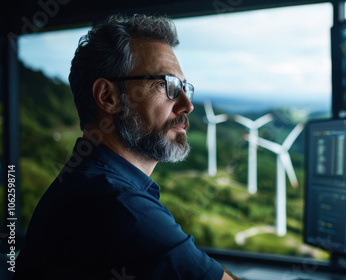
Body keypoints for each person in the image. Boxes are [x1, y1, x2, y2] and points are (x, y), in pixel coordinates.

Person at [14, 14, 238, 280]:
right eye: (166, 85)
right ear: (108, 97)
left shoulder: (87, 183)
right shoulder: (118, 204)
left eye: (185, 87)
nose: (187, 105)